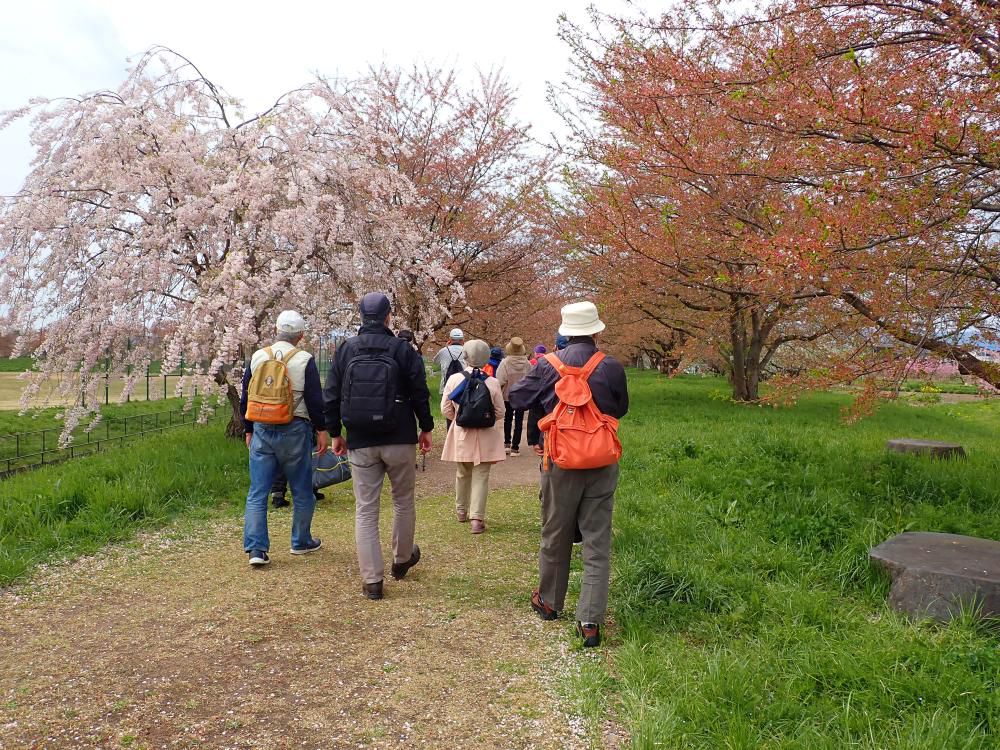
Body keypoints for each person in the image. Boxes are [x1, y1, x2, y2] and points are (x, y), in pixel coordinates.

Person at [509, 301, 629, 647]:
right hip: (601, 462)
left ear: (565, 331)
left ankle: (549, 602)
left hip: (559, 461)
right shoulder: (610, 366)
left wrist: (548, 402)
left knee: (555, 532)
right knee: (597, 541)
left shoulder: (547, 365)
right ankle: (590, 622)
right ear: (596, 332)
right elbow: (621, 408)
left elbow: (517, 398)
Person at [324, 293, 434, 601]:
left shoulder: (346, 349)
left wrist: (335, 432)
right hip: (400, 436)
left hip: (360, 440)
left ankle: (372, 581)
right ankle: (401, 559)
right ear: (388, 317)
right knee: (403, 501)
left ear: (361, 316)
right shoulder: (402, 349)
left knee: (366, 509)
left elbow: (331, 394)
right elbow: (420, 392)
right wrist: (426, 427)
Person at [240, 310, 330, 566]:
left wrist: (248, 429)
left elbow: (246, 396)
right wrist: (321, 430)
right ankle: (300, 541)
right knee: (302, 490)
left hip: (262, 428)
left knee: (257, 492)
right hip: (295, 428)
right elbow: (315, 400)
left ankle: (256, 550)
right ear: (300, 336)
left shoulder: (258, 357)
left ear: (275, 330)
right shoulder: (304, 359)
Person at [440, 340, 506, 534]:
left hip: (462, 434)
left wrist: (460, 418)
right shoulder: (492, 382)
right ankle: (477, 519)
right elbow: (500, 412)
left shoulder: (454, 379)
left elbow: (445, 409)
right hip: (486, 435)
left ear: (465, 356)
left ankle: (461, 510)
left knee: (462, 473)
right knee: (481, 476)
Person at [496, 337, 532, 457]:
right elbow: (530, 380)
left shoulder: (505, 363)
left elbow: (500, 380)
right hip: (521, 395)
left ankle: (507, 443)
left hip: (508, 395)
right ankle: (515, 447)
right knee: (519, 421)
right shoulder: (527, 364)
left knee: (507, 419)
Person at [433, 328, 467, 429]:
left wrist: (446, 347)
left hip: (446, 386)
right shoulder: (466, 351)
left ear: (450, 340)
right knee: (463, 411)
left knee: (448, 412)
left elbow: (435, 362)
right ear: (462, 340)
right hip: (463, 386)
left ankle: (450, 432)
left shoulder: (443, 351)